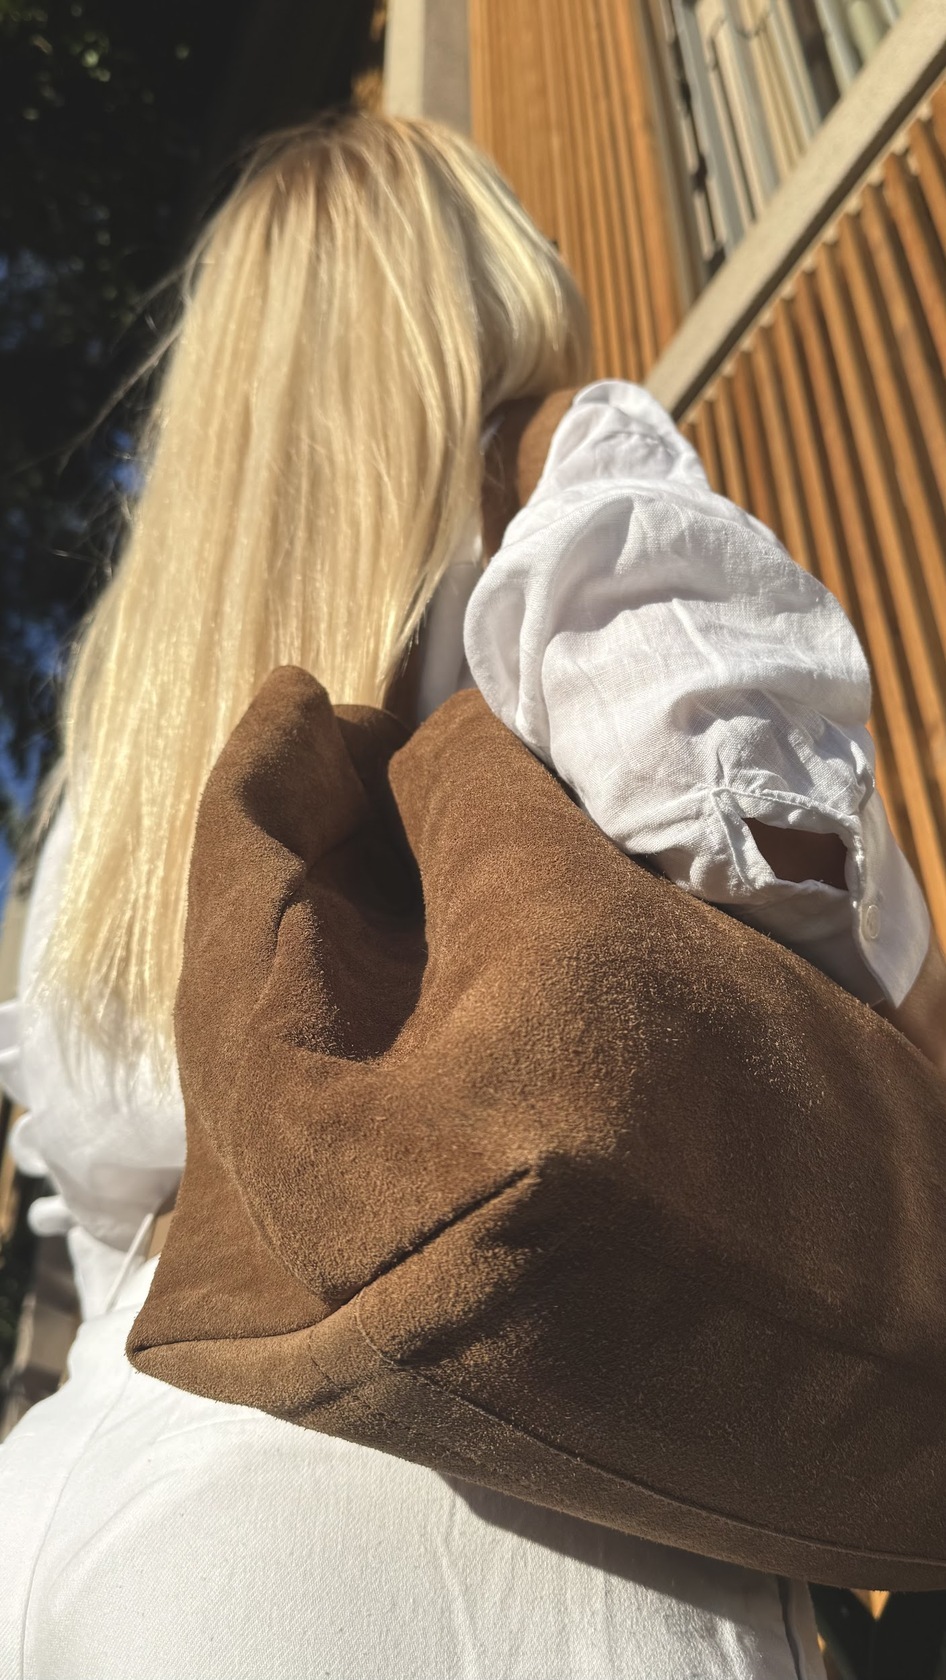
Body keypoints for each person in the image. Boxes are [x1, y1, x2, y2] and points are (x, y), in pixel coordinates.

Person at [0, 107, 937, 1680]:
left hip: (77, 1502)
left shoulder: (131, 720)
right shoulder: (562, 474)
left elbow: (93, 1172)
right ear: (487, 285)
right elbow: (777, 874)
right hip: (484, 1518)